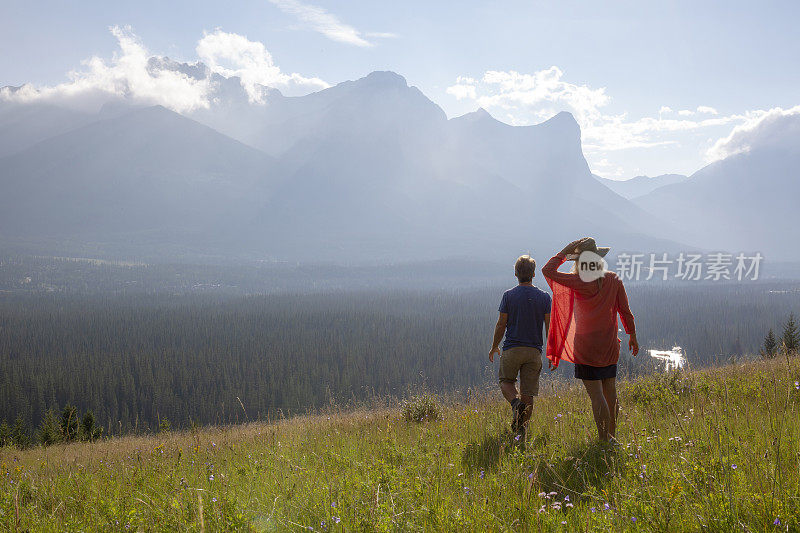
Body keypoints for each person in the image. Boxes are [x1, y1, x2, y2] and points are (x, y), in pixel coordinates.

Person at [542, 237, 638, 443]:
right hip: (610, 344)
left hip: (586, 347)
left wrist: (565, 250)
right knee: (610, 391)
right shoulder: (613, 279)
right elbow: (625, 311)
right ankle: (612, 436)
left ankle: (604, 439)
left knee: (597, 396)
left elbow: (547, 271)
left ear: (578, 261)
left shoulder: (578, 281)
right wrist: (632, 335)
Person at [489, 255, 551, 436]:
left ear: (516, 273)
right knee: (528, 392)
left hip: (512, 348)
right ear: (533, 274)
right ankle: (521, 432)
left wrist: (494, 346)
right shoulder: (544, 297)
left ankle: (515, 404)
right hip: (534, 351)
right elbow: (550, 327)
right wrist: (552, 353)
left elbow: (501, 324)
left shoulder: (509, 296)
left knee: (506, 382)